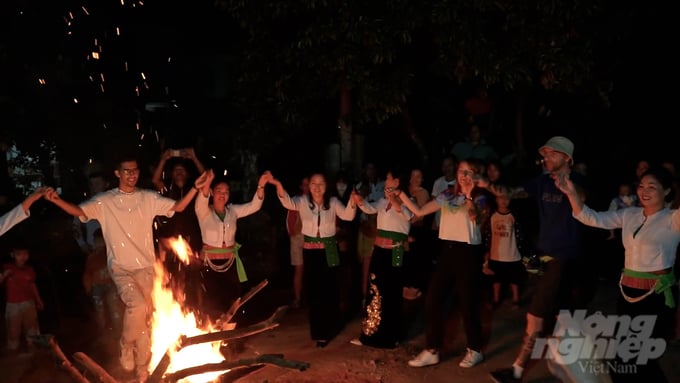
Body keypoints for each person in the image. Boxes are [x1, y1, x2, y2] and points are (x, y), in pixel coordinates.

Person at [43, 152, 208, 381]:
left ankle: (143, 369)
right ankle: (125, 343)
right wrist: (56, 200)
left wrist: (196, 188)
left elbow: (178, 207)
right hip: (122, 269)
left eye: (135, 170)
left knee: (144, 318)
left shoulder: (147, 198)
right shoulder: (105, 201)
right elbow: (79, 211)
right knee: (137, 305)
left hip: (147, 268)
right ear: (117, 173)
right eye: (127, 171)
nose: (132, 175)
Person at [554, 166, 679, 382]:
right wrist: (571, 192)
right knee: (623, 356)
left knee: (640, 356)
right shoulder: (629, 214)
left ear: (667, 191)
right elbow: (591, 217)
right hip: (628, 292)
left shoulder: (673, 219)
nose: (644, 191)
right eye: (641, 186)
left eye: (652, 186)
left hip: (656, 296)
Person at [489, 136, 592, 383]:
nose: (546, 157)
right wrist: (489, 185)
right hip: (543, 257)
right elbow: (513, 192)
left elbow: (583, 197)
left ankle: (516, 371)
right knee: (561, 316)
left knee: (535, 316)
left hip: (564, 258)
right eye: (544, 153)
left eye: (552, 153)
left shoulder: (578, 182)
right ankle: (576, 368)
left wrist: (567, 186)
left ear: (567, 158)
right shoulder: (542, 181)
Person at [397, 159, 491, 369]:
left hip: (468, 253)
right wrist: (400, 195)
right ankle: (432, 349)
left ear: (476, 175)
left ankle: (475, 349)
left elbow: (476, 219)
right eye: (461, 171)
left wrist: (468, 195)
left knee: (467, 303)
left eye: (469, 173)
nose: (464, 176)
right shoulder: (448, 194)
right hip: (447, 250)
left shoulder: (481, 197)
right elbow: (420, 212)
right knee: (432, 299)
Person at [269, 172, 357, 348]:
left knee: (330, 289)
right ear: (309, 186)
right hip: (311, 252)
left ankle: (331, 325)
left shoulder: (332, 203)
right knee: (315, 292)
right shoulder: (302, 202)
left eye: (321, 183)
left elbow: (348, 216)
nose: (317, 187)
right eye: (314, 183)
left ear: (326, 186)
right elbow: (287, 202)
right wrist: (277, 184)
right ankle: (319, 332)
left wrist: (353, 201)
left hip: (330, 249)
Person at [194, 169, 271, 325]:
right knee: (212, 303)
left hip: (230, 265)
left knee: (232, 303)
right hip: (210, 266)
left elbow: (254, 206)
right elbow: (201, 198)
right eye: (218, 191)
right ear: (212, 193)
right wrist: (208, 180)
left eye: (226, 192)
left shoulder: (233, 211)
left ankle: (229, 342)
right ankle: (213, 337)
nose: (222, 194)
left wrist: (261, 185)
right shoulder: (203, 211)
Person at [349, 168, 413, 349]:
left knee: (392, 293)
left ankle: (391, 336)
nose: (386, 181)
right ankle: (368, 335)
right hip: (379, 250)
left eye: (388, 178)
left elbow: (409, 216)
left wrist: (394, 199)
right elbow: (369, 208)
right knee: (374, 290)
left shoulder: (409, 201)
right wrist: (359, 200)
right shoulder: (382, 201)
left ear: (397, 182)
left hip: (396, 251)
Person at [151, 147, 205, 309]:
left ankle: (197, 313)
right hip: (170, 244)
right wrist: (163, 160)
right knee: (171, 279)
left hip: (192, 241)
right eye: (176, 170)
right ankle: (174, 310)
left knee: (195, 279)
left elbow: (205, 178)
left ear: (187, 174)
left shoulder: (194, 189)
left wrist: (194, 158)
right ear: (172, 175)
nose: (179, 172)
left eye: (182, 170)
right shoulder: (167, 191)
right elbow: (155, 181)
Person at [481, 185, 531, 309]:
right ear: (496, 199)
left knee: (515, 279)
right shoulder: (492, 216)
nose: (504, 201)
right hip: (496, 254)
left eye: (507, 198)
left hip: (512, 254)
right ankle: (496, 299)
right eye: (500, 198)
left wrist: (523, 252)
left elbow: (521, 235)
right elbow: (488, 235)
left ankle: (516, 299)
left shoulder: (514, 216)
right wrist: (487, 252)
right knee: (496, 279)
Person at [0, 239, 45, 354]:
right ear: (13, 255)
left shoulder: (29, 269)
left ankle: (33, 350)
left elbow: (32, 286)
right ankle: (13, 351)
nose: (22, 257)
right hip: (12, 304)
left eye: (25, 254)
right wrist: (4, 276)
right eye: (19, 254)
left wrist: (38, 301)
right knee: (13, 329)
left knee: (32, 328)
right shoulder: (6, 267)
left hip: (29, 303)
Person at [82, 228, 122, 336]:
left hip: (111, 286)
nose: (97, 243)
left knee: (115, 311)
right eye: (96, 241)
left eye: (100, 241)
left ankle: (119, 334)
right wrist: (88, 287)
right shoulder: (91, 257)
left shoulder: (110, 255)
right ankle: (104, 334)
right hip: (97, 287)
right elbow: (88, 273)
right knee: (100, 311)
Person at [286, 176, 309, 308]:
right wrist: (292, 233)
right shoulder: (295, 200)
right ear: (301, 186)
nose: (306, 187)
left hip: (312, 237)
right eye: (304, 184)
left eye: (308, 184)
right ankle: (298, 298)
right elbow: (290, 220)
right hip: (298, 237)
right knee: (299, 268)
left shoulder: (316, 201)